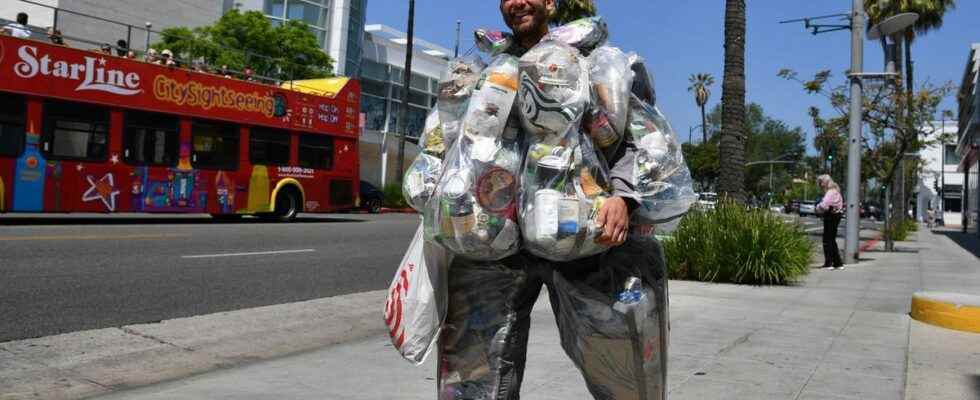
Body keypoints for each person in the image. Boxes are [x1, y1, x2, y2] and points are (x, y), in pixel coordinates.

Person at [423, 1, 665, 399]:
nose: (516, 3)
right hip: (494, 242)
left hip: (580, 238)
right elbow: (449, 140)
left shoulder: (587, 64)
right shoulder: (487, 70)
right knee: (477, 370)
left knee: (615, 362)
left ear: (550, 3)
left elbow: (632, 138)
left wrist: (623, 197)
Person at [816, 174, 844, 270]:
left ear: (826, 182)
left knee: (827, 240)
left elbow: (824, 205)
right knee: (832, 239)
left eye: (821, 182)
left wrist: (817, 208)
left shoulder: (830, 192)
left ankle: (829, 263)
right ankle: (837, 263)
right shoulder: (836, 191)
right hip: (836, 215)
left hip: (831, 216)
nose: (820, 185)